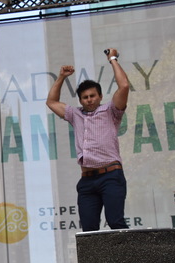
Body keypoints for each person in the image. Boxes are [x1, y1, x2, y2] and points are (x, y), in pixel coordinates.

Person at [46, 48, 130, 232]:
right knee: (89, 231)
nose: (89, 100)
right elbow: (51, 102)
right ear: (81, 100)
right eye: (85, 97)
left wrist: (113, 59)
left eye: (92, 96)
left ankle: (130, 260)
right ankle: (97, 261)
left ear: (100, 96)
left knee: (115, 222)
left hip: (110, 176)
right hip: (87, 180)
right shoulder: (75, 114)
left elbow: (123, 86)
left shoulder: (111, 111)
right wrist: (61, 77)